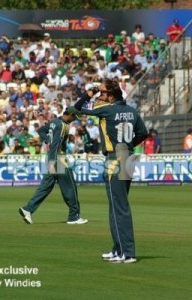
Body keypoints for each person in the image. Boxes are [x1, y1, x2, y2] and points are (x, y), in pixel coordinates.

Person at [70, 79, 148, 263]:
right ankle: (118, 248)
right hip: (128, 157)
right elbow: (143, 133)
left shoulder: (108, 109)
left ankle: (127, 252)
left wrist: (88, 94)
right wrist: (127, 146)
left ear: (111, 96)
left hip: (114, 159)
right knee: (116, 205)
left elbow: (76, 109)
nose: (99, 95)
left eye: (102, 93)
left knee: (119, 207)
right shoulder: (132, 111)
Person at [19, 109, 88, 225]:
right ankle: (73, 216)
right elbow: (56, 145)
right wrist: (55, 159)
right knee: (70, 187)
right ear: (69, 115)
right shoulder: (63, 126)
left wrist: (46, 140)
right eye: (74, 117)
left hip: (51, 158)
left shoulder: (54, 122)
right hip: (58, 159)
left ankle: (28, 209)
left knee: (45, 187)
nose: (74, 119)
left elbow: (41, 130)